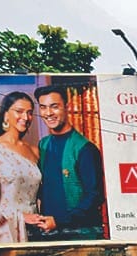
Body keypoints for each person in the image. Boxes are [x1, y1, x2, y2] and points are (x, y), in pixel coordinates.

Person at [32, 84, 106, 240]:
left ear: (67, 106)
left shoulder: (85, 148)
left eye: (54, 107)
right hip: (48, 235)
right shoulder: (43, 144)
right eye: (43, 108)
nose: (48, 113)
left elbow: (95, 196)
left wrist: (60, 221)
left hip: (80, 236)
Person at [0, 91, 41, 245]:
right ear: (5, 115)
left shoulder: (35, 151)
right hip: (8, 231)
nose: (26, 117)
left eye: (30, 113)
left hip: (36, 231)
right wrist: (20, 217)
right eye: (19, 111)